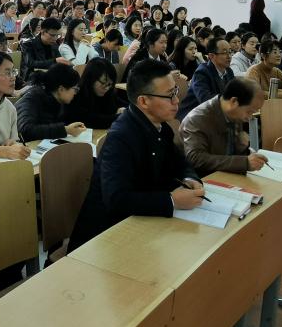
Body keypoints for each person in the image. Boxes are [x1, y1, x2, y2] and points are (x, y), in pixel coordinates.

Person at [67, 60, 205, 252]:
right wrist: (171, 201)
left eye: (175, 92)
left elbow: (180, 163)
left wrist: (190, 178)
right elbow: (117, 200)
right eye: (169, 95)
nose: (176, 101)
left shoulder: (161, 127)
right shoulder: (121, 137)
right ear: (143, 101)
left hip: (144, 226)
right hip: (105, 239)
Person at [181, 78, 268, 177]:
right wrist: (244, 162)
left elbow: (230, 154)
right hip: (204, 179)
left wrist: (243, 149)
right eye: (249, 112)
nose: (249, 118)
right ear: (234, 101)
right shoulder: (197, 119)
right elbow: (195, 158)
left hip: (226, 175)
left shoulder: (234, 113)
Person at [15, 63, 86, 142]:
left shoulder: (59, 101)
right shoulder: (33, 98)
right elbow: (25, 131)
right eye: (75, 89)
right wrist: (65, 130)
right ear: (61, 89)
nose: (75, 93)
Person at [177, 37, 236, 119]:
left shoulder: (229, 71)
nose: (229, 56)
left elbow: (235, 92)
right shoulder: (202, 72)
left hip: (216, 113)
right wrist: (231, 100)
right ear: (211, 56)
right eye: (224, 52)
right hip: (193, 116)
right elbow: (205, 99)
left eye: (230, 51)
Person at [65, 58, 122, 129]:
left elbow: (123, 104)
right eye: (103, 83)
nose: (107, 88)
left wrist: (123, 110)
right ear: (91, 78)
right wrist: (119, 116)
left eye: (110, 84)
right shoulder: (75, 94)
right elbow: (91, 121)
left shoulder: (108, 93)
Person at [20, 17, 66, 82]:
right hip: (33, 80)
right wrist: (55, 61)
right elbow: (31, 64)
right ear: (43, 31)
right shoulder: (28, 44)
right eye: (52, 35)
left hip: (50, 78)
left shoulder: (54, 45)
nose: (55, 38)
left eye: (57, 35)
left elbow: (59, 62)